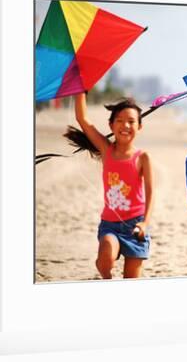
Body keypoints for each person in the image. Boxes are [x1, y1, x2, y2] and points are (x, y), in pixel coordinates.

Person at [64, 92, 153, 279]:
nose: (125, 125)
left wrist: (145, 222)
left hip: (135, 226)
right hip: (110, 225)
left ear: (140, 126)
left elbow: (151, 192)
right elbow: (82, 119)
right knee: (106, 256)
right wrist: (81, 89)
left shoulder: (143, 157)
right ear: (111, 125)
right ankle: (106, 276)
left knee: (131, 279)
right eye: (119, 120)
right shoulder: (106, 149)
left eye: (131, 121)